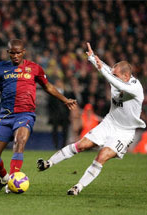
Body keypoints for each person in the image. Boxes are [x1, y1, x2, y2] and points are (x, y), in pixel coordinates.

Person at [0, 39, 77, 193]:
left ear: (23, 52)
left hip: (25, 114)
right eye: (13, 53)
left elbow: (48, 86)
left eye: (18, 52)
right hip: (5, 116)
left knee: (20, 141)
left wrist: (64, 100)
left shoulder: (34, 68)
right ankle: (6, 179)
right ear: (8, 52)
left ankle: (13, 181)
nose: (16, 55)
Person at [37, 42, 146, 195]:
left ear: (126, 76)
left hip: (125, 132)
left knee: (102, 155)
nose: (112, 77)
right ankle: (49, 162)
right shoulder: (115, 75)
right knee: (82, 145)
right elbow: (107, 70)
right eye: (113, 74)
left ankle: (78, 187)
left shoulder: (135, 88)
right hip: (109, 123)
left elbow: (114, 80)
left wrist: (106, 72)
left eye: (116, 75)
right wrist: (93, 58)